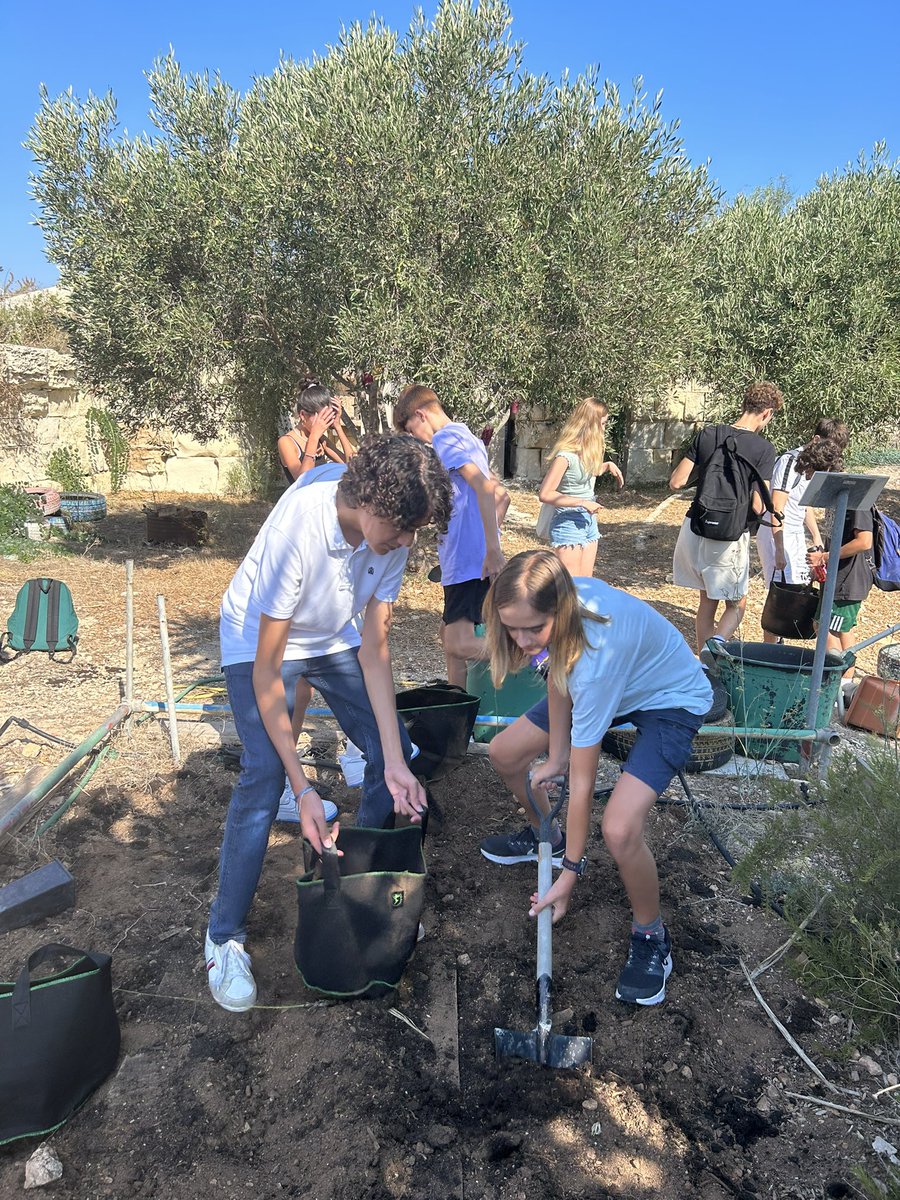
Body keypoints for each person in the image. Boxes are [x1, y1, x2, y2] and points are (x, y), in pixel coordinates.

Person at [205, 433, 453, 1012]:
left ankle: (358, 889)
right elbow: (269, 671)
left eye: (415, 531)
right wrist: (305, 786)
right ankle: (223, 937)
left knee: (392, 750)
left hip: (330, 635)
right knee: (264, 772)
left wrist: (392, 758)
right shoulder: (302, 526)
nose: (407, 544)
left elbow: (374, 648)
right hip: (259, 638)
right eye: (402, 528)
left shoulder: (388, 532)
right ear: (368, 501)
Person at [478, 551, 712, 1006]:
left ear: (559, 613)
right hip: (610, 678)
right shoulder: (559, 611)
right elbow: (556, 669)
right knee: (504, 753)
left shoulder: (597, 659)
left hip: (670, 697)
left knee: (619, 829)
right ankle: (548, 835)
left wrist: (570, 875)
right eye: (511, 627)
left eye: (533, 628)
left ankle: (651, 936)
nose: (523, 641)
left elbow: (583, 785)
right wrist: (558, 754)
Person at [394, 384, 509, 688]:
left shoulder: (444, 439)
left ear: (421, 415)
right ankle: (457, 712)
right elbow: (502, 495)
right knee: (449, 639)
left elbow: (486, 490)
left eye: (410, 429)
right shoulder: (467, 436)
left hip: (466, 560)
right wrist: (488, 541)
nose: (414, 437)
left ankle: (531, 654)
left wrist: (492, 549)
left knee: (458, 643)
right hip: (469, 557)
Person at [669, 381, 783, 656]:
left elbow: (677, 481)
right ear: (767, 413)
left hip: (696, 528)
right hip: (729, 536)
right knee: (737, 604)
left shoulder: (708, 434)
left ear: (744, 404)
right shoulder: (763, 449)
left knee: (706, 604)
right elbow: (758, 506)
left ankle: (704, 665)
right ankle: (716, 645)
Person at [758, 438, 844, 642]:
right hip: (779, 533)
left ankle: (780, 642)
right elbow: (777, 507)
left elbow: (803, 506)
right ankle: (770, 649)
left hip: (795, 533)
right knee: (781, 593)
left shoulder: (813, 466)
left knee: (798, 588)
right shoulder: (791, 462)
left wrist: (815, 536)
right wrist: (779, 549)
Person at [538, 397, 624, 578]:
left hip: (589, 521)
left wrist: (607, 466)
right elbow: (545, 494)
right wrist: (582, 503)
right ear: (590, 424)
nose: (603, 429)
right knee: (572, 588)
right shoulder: (565, 456)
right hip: (568, 521)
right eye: (602, 424)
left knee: (587, 585)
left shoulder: (590, 451)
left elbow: (586, 474)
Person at [807, 505, 874, 683]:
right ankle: (845, 686)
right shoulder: (837, 499)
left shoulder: (857, 503)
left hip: (847, 581)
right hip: (838, 578)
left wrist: (825, 557)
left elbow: (864, 541)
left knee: (825, 628)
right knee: (843, 632)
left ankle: (837, 685)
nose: (805, 475)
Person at [277, 380, 356, 485]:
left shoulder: (321, 439)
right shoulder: (286, 442)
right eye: (321, 417)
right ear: (303, 415)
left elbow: (351, 466)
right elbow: (303, 480)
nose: (324, 422)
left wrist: (337, 426)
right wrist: (313, 438)